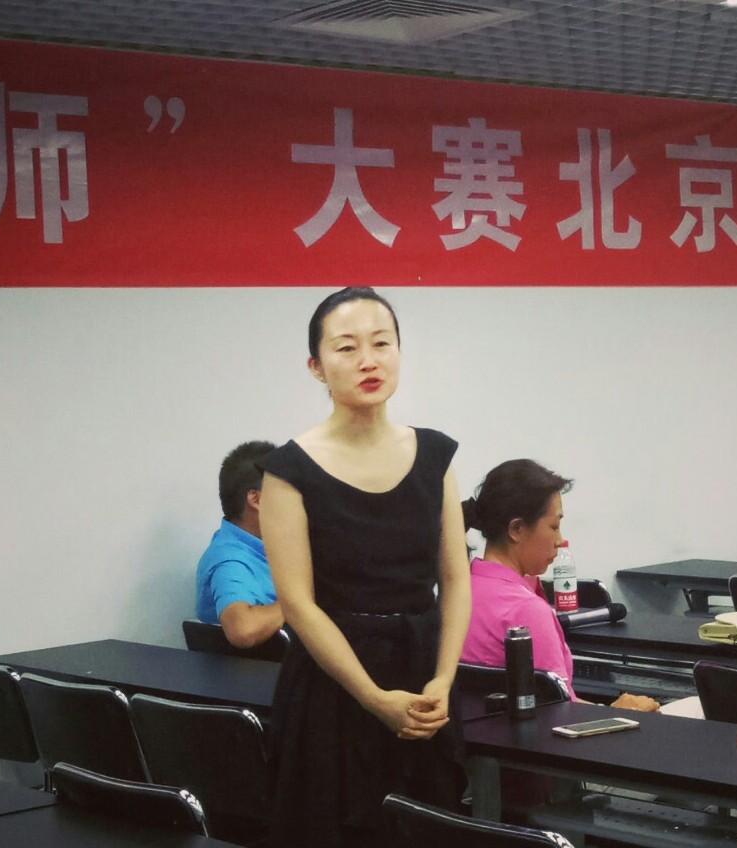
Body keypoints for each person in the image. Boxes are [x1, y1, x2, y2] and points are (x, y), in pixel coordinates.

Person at [258, 287, 471, 848]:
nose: (368, 361)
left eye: (382, 343)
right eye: (347, 348)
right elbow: (298, 605)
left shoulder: (435, 455)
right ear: (316, 366)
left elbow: (455, 580)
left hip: (423, 682)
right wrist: (374, 698)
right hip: (334, 689)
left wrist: (444, 679)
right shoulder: (288, 471)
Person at [461, 458, 659, 711]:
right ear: (517, 529)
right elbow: (560, 714)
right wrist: (617, 711)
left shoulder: (455, 595)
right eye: (554, 526)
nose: (559, 539)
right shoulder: (527, 612)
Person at [194, 440, 284, 649]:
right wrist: (298, 603)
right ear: (256, 500)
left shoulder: (268, 547)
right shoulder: (230, 560)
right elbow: (242, 630)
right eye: (288, 491)